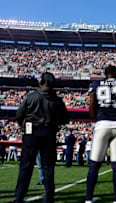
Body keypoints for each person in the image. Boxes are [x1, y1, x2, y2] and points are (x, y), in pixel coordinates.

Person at [14, 72, 69, 203]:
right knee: (48, 167)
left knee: (26, 166)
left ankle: (19, 197)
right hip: (49, 132)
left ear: (41, 82)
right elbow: (65, 119)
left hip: (31, 132)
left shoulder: (31, 97)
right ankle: (49, 197)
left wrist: (24, 126)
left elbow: (19, 115)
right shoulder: (57, 100)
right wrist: (55, 123)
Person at [85, 65, 116, 203]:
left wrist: (99, 119)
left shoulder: (96, 85)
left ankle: (88, 199)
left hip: (102, 125)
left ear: (105, 74)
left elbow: (92, 107)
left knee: (94, 164)